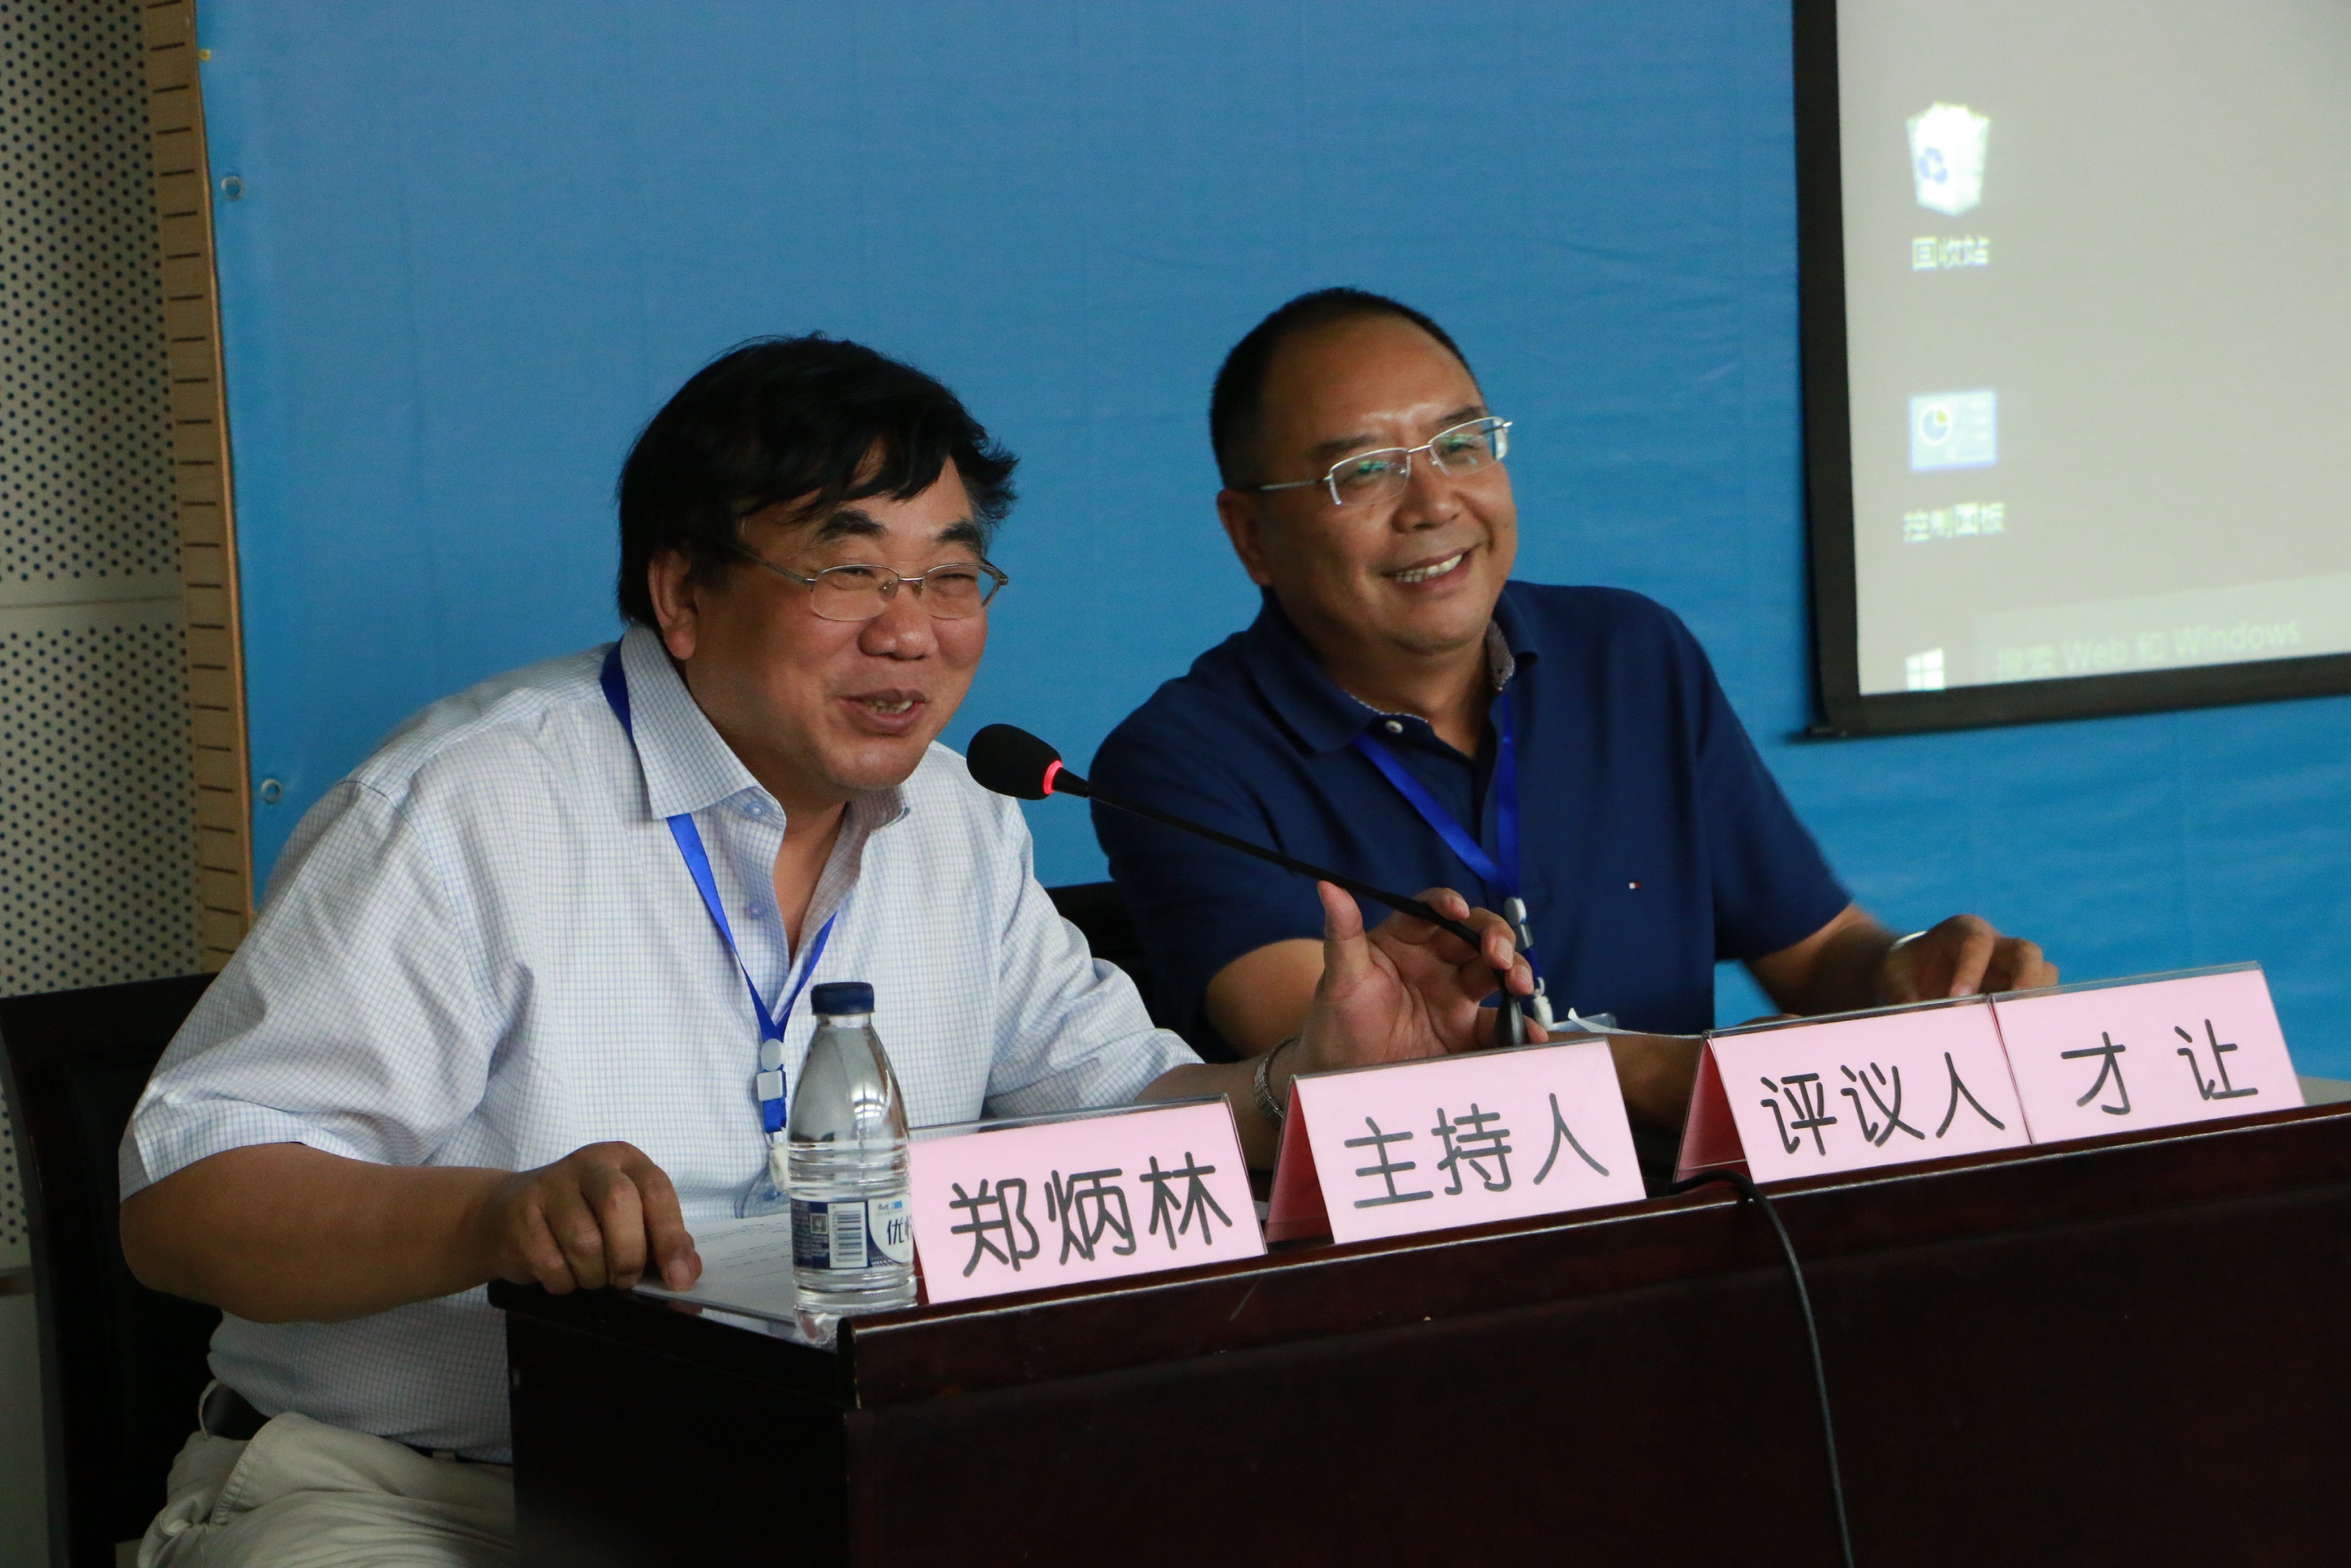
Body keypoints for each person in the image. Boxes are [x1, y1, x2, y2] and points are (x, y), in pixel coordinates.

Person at [117, 334, 1538, 1567]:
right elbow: (186, 1197)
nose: (911, 634)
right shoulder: (467, 807)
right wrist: (495, 1219)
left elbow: (1116, 1109)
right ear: (683, 593)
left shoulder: (958, 821)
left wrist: (1297, 1084)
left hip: (828, 1488)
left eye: (951, 578)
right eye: (849, 572)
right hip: (428, 1499)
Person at [1092, 288, 2055, 1124]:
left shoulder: (1629, 654)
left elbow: (1821, 951)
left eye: (1460, 444)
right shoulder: (1177, 762)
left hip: (1712, 1218)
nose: (1432, 503)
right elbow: (1347, 1066)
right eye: (1364, 471)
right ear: (1251, 535)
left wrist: (1914, 974)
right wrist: (1676, 1075)